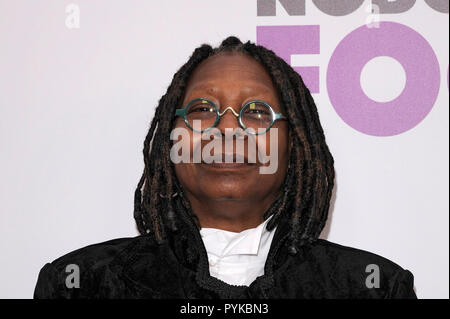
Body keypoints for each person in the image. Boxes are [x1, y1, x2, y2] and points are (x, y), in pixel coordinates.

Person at [33, 36, 416, 299]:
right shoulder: (81, 284)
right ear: (171, 142)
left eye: (256, 111)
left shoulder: (373, 287)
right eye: (202, 110)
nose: (228, 128)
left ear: (294, 145)